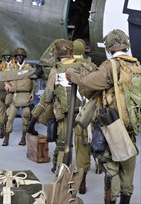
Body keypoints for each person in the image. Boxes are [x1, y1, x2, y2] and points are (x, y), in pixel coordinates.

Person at [65, 29, 138, 204]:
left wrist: (72, 74)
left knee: (112, 169)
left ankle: (112, 199)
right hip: (131, 125)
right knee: (128, 166)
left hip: (111, 125)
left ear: (109, 47)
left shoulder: (111, 65)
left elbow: (88, 82)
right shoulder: (136, 65)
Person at [27, 39, 97, 194]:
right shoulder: (87, 66)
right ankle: (82, 181)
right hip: (83, 114)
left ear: (57, 53)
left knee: (63, 146)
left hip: (64, 114)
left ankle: (61, 179)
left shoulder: (56, 70)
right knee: (83, 146)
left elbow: (49, 95)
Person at [2, 48, 36, 146]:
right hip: (15, 95)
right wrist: (6, 84)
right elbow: (5, 77)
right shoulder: (13, 67)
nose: (19, 57)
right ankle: (6, 137)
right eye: (17, 56)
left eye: (21, 56)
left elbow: (33, 82)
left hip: (25, 95)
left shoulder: (29, 67)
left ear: (24, 57)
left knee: (26, 116)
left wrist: (32, 92)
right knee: (10, 118)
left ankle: (23, 138)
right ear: (15, 57)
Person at [0, 49, 16, 139]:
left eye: (8, 56)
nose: (7, 58)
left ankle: (7, 130)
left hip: (10, 92)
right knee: (1, 114)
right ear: (3, 58)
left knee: (9, 113)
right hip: (1, 92)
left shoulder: (14, 67)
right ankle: (1, 130)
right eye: (5, 56)